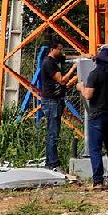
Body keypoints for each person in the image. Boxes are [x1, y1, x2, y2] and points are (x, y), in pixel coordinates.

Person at [78, 45, 108, 190]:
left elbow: (88, 95)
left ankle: (98, 181)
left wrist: (81, 88)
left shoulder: (95, 74)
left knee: (95, 149)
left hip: (97, 116)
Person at [39, 41, 71, 171]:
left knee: (53, 132)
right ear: (52, 49)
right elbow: (62, 80)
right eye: (60, 49)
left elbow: (68, 58)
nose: (62, 51)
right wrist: (74, 70)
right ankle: (53, 163)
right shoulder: (49, 63)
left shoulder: (57, 59)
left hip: (56, 100)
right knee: (52, 133)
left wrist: (84, 56)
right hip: (51, 101)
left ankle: (51, 161)